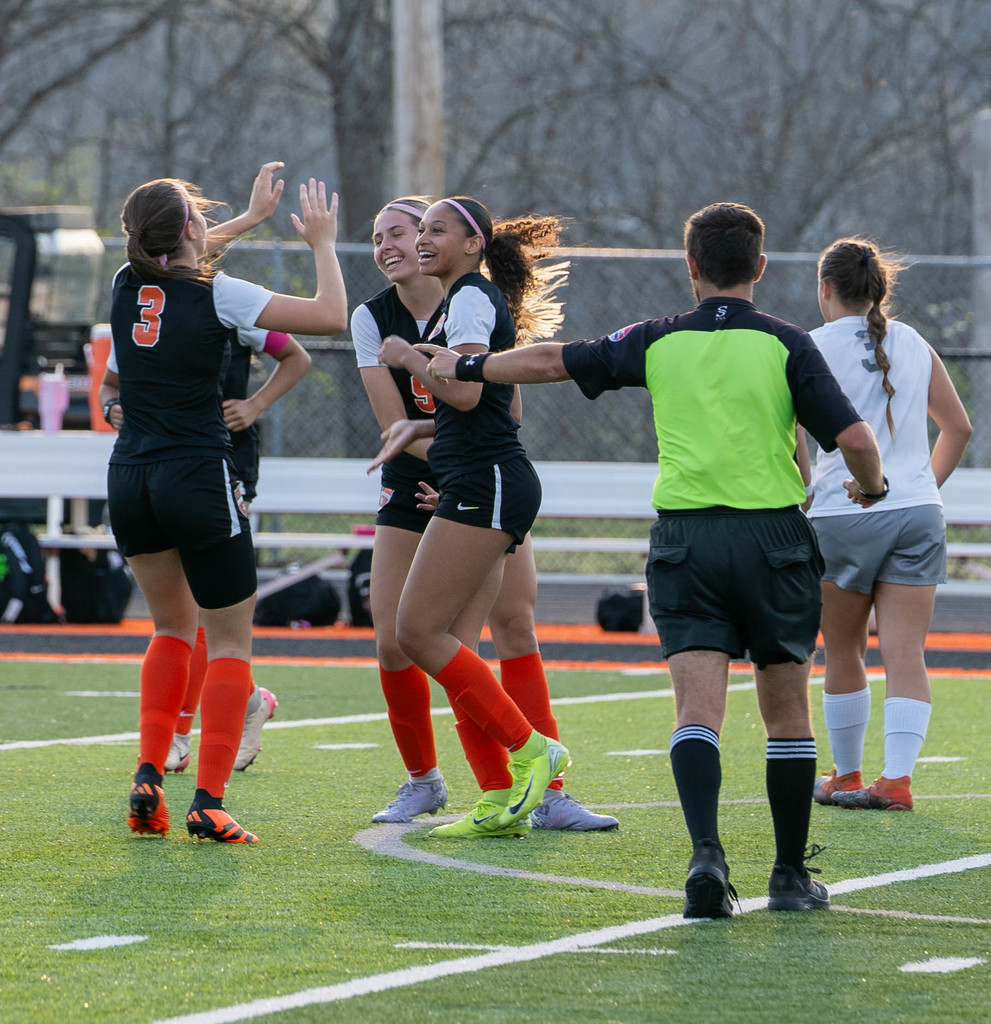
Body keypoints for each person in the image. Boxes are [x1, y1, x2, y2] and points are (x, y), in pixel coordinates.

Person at [420, 201, 886, 915]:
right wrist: (870, 483)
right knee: (786, 712)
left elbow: (550, 359)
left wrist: (471, 363)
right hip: (772, 540)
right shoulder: (787, 343)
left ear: (690, 265)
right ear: (758, 268)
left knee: (695, 711)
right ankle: (789, 876)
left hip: (686, 541)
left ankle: (705, 863)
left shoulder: (656, 338)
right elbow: (851, 438)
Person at [352, 197, 617, 833]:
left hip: (481, 481)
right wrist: (444, 461)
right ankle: (483, 791)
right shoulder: (383, 314)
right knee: (408, 638)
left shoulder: (469, 299)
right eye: (376, 236)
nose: (390, 244)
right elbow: (404, 425)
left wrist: (413, 361)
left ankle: (544, 780)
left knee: (504, 626)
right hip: (448, 482)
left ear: (451, 240)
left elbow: (482, 399)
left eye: (408, 231)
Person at [102, 165, 346, 842]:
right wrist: (321, 241)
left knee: (169, 632)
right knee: (231, 640)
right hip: (198, 476)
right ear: (188, 231)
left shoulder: (126, 285)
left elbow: (174, 252)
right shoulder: (220, 295)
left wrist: (246, 219)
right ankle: (208, 801)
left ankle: (148, 772)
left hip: (131, 478)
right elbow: (328, 317)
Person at [804, 238, 971, 812]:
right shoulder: (913, 341)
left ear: (825, 289)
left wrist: (803, 492)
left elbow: (792, 438)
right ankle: (896, 782)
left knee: (843, 651)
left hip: (840, 515)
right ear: (880, 289)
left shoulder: (808, 346)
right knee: (906, 654)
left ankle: (846, 776)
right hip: (918, 514)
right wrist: (921, 488)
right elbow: (959, 428)